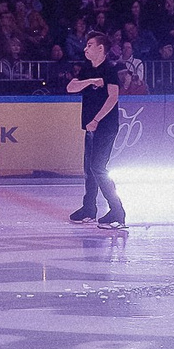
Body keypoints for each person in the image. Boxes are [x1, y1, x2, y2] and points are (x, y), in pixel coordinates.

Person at [65, 32, 127, 230]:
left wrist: (96, 120)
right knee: (89, 169)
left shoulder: (110, 68)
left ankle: (117, 211)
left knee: (98, 167)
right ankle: (89, 209)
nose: (85, 48)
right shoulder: (86, 69)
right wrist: (90, 81)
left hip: (105, 127)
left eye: (90, 45)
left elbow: (113, 97)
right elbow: (70, 87)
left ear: (101, 48)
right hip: (91, 127)